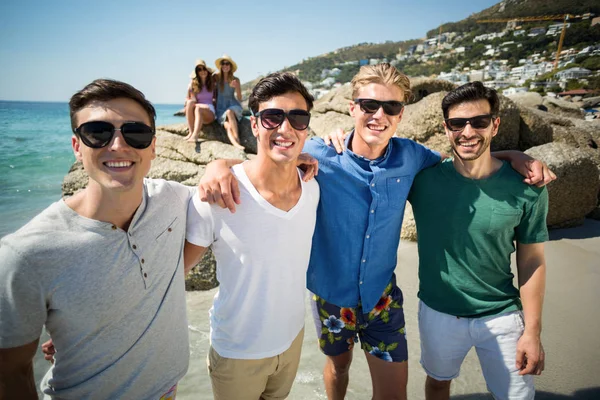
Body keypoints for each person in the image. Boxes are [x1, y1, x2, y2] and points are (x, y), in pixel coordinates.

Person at [197, 63, 555, 400]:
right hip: (329, 294)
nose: (379, 115)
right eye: (369, 104)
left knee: (393, 393)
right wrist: (219, 164)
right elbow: (268, 154)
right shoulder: (321, 153)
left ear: (402, 114)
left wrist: (513, 156)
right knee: (338, 367)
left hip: (382, 298)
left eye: (391, 107)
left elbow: (466, 159)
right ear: (352, 108)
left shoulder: (413, 157)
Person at [0, 79, 192, 399]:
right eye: (98, 133)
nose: (118, 145)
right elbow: (11, 372)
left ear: (154, 146)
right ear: (77, 147)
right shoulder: (25, 254)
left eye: (136, 133)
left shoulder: (174, 199)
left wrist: (221, 166)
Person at [183, 72, 319, 399]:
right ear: (255, 125)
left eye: (297, 118)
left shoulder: (313, 185)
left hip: (292, 340)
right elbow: (171, 277)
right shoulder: (218, 195)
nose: (285, 128)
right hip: (237, 353)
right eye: (273, 117)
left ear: (307, 128)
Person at [409, 82, 548, 400]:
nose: (467, 131)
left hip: (502, 314)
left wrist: (532, 331)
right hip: (438, 312)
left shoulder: (528, 187)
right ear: (446, 128)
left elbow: (532, 261)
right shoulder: (424, 179)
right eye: (458, 123)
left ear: (495, 124)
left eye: (479, 122)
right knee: (438, 382)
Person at [214, 54, 244, 150]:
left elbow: (239, 97)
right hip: (220, 107)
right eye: (223, 63)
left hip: (233, 105)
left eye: (227, 64)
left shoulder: (236, 80)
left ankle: (237, 139)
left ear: (230, 66)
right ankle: (236, 144)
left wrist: (236, 87)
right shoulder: (216, 78)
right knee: (227, 126)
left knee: (229, 112)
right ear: (221, 66)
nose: (225, 65)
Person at [184, 59, 216, 142]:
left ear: (207, 70)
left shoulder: (213, 82)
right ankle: (191, 132)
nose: (202, 71)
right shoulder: (193, 85)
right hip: (198, 108)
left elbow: (216, 99)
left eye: (204, 69)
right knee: (190, 102)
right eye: (199, 69)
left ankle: (195, 135)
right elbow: (191, 100)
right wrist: (189, 89)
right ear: (197, 72)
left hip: (209, 110)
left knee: (198, 108)